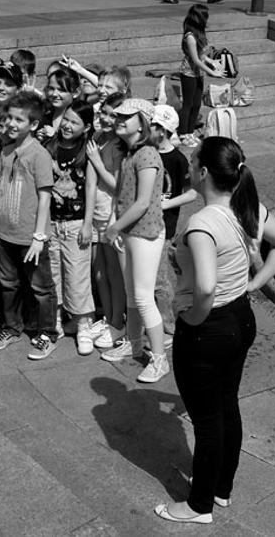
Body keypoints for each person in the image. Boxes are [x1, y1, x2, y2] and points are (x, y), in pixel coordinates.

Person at [154, 137, 275, 524]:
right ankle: (221, 489)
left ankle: (198, 506)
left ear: (202, 172)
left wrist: (195, 317)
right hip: (240, 318)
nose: (188, 162)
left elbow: (205, 286)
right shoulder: (248, 208)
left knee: (207, 419)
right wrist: (253, 284)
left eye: (193, 157)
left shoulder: (201, 223)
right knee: (226, 404)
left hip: (208, 328)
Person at [0, 92, 60, 360]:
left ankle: (47, 333)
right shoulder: (6, 151)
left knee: (41, 288)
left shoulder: (38, 155)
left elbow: (45, 197)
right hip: (6, 234)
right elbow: (1, 193)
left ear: (34, 124)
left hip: (30, 237)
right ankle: (11, 327)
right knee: (8, 283)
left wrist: (39, 236)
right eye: (10, 118)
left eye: (19, 119)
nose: (12, 124)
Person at [101, 99, 169, 383]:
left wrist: (114, 227)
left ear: (141, 122)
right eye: (118, 115)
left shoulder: (147, 155)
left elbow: (142, 203)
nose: (119, 119)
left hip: (145, 232)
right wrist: (116, 226)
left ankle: (159, 358)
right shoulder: (130, 153)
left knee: (142, 295)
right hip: (131, 231)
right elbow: (123, 194)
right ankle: (134, 342)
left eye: (126, 116)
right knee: (133, 292)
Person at [46, 100, 98, 351]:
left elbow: (90, 187)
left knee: (77, 275)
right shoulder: (50, 146)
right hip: (52, 222)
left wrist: (88, 223)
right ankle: (56, 318)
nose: (67, 125)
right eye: (66, 119)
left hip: (76, 223)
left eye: (74, 122)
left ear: (86, 126)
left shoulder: (88, 150)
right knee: (53, 273)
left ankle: (84, 324)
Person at [85, 92, 127, 350]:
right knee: (99, 273)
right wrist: (87, 219)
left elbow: (119, 186)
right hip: (97, 216)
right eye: (105, 113)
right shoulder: (97, 138)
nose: (108, 119)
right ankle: (107, 317)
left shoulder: (121, 146)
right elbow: (90, 185)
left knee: (114, 273)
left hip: (112, 216)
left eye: (115, 115)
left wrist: (99, 163)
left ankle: (117, 322)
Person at [152, 105, 193, 342]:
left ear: (163, 130)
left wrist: (166, 204)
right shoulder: (146, 151)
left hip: (164, 225)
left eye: (153, 125)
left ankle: (169, 323)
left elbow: (191, 193)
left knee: (160, 278)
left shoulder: (177, 159)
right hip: (143, 224)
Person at [178, 4, 225, 146]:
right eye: (205, 16)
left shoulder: (199, 34)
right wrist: (212, 72)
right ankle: (183, 133)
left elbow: (202, 55)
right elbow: (195, 60)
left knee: (197, 104)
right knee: (188, 104)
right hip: (188, 73)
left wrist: (213, 62)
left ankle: (191, 132)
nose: (207, 19)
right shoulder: (190, 36)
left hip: (198, 73)